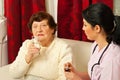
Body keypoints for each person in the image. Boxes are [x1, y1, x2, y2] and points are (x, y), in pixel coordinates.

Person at [9, 11, 73, 80]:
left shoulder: (63, 48)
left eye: (43, 26)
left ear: (52, 29)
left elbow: (66, 77)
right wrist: (28, 57)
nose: (39, 30)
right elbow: (14, 74)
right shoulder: (27, 44)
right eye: (35, 26)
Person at [64, 3, 120, 80]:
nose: (83, 28)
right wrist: (76, 73)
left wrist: (76, 79)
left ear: (97, 28)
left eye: (85, 25)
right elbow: (93, 76)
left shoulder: (112, 58)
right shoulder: (96, 45)